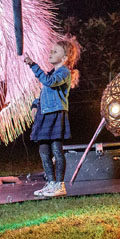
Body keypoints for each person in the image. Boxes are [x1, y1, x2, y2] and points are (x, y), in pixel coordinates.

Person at [24, 36, 81, 197]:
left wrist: (33, 65)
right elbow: (45, 92)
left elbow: (50, 82)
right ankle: (50, 183)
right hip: (45, 114)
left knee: (56, 149)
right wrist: (36, 104)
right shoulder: (52, 72)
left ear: (64, 58)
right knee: (43, 150)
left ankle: (59, 185)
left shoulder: (64, 72)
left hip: (55, 114)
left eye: (55, 51)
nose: (51, 53)